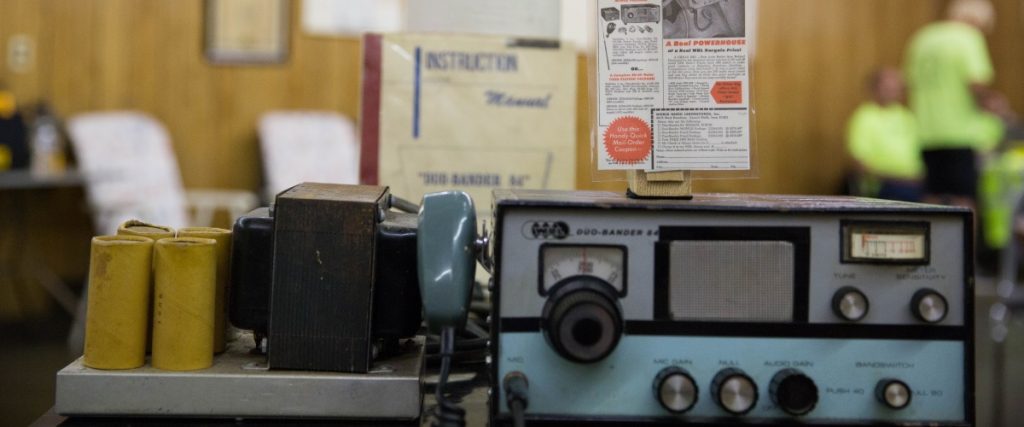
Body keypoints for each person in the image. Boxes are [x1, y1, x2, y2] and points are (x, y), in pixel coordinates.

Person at [903, 0, 1004, 208]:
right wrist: (994, 104)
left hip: (926, 130)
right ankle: (965, 243)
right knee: (964, 201)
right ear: (975, 20)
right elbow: (976, 83)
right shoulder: (968, 37)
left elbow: (908, 82)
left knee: (931, 198)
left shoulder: (923, 37)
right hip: (960, 133)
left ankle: (932, 241)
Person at [846, 68, 923, 202]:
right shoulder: (864, 117)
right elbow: (859, 161)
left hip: (914, 182)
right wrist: (895, 178)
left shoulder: (907, 117)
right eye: (888, 86)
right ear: (875, 88)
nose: (893, 90)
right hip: (883, 185)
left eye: (896, 87)